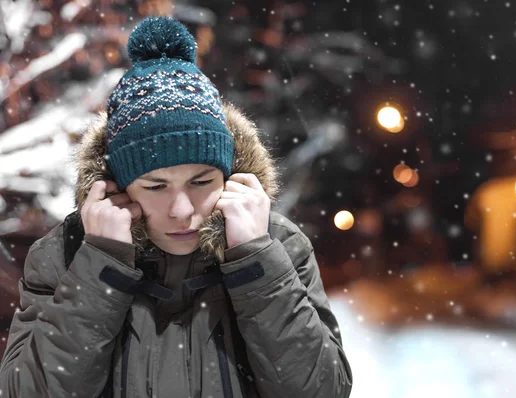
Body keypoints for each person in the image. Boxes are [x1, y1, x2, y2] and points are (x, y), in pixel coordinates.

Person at [0, 16, 353, 398]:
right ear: (119, 187)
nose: (182, 210)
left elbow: (322, 391)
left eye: (201, 182)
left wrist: (257, 262)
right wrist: (101, 266)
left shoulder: (279, 245)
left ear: (230, 176)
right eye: (155, 186)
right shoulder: (65, 254)